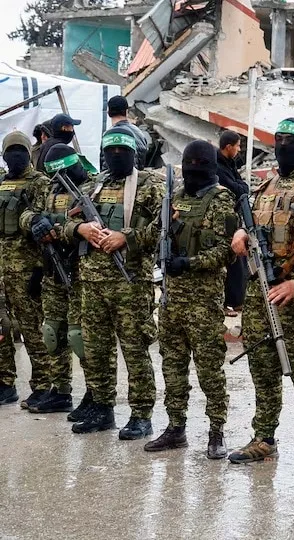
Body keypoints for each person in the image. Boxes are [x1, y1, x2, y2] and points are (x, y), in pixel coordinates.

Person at [227, 118, 294, 477]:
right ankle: (263, 437)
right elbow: (254, 225)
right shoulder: (268, 185)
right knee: (262, 368)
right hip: (260, 293)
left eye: (290, 141)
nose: (283, 147)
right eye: (279, 140)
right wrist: (241, 232)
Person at [66, 127, 164, 440]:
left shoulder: (150, 185)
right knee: (96, 350)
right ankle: (102, 407)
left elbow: (165, 227)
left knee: (134, 350)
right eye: (111, 151)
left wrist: (127, 237)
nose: (117, 156)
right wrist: (80, 229)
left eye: (123, 151)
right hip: (92, 283)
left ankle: (141, 414)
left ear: (135, 153)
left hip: (130, 284)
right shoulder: (94, 185)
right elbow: (66, 219)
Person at [144, 140, 236, 459]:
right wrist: (163, 227)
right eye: (189, 164)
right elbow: (153, 235)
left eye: (199, 164)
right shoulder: (175, 198)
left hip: (203, 302)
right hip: (171, 300)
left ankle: (216, 431)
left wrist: (190, 263)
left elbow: (226, 251)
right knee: (172, 366)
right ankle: (175, 427)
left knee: (209, 369)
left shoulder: (222, 199)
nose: (193, 170)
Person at [20, 143, 87, 415]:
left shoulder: (90, 188)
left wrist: (57, 227)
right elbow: (26, 213)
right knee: (53, 332)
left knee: (80, 336)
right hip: (52, 270)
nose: (58, 180)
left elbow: (90, 224)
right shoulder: (50, 189)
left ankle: (95, 393)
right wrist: (35, 221)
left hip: (81, 272)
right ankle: (60, 391)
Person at [0, 131, 57, 408]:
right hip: (2, 271)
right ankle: (5, 382)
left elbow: (44, 225)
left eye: (20, 151)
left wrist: (39, 269)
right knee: (1, 328)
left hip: (27, 270)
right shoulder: (1, 182)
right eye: (10, 152)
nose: (15, 156)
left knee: (32, 329)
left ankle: (43, 385)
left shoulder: (40, 183)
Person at [216, 129, 248, 316]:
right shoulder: (218, 167)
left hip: (233, 218)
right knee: (226, 261)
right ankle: (225, 302)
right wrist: (241, 187)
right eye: (237, 146)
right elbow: (237, 189)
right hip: (222, 220)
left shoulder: (229, 164)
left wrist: (241, 187)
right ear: (228, 147)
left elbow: (242, 186)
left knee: (237, 260)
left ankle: (236, 300)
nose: (239, 150)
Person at [104, 96, 151, 170]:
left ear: (108, 113)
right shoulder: (139, 133)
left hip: (115, 177)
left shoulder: (108, 136)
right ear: (126, 112)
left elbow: (104, 168)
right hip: (137, 176)